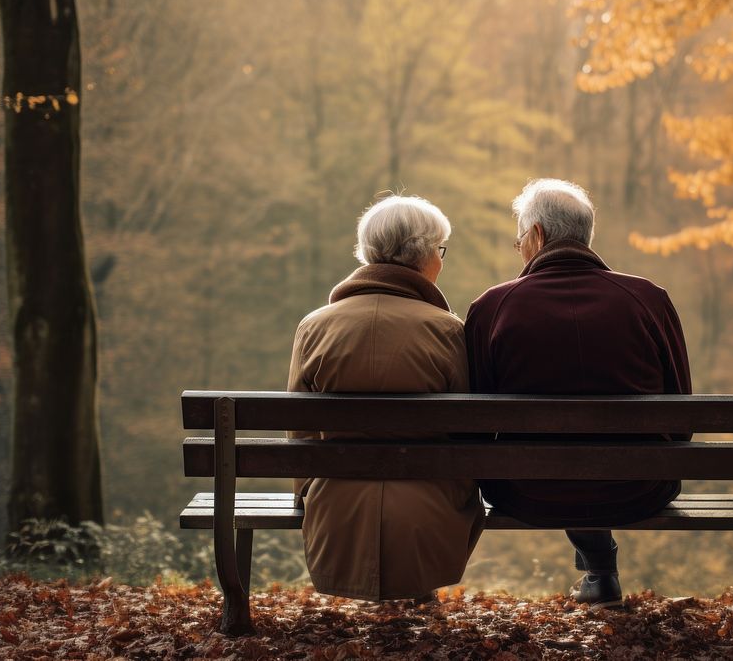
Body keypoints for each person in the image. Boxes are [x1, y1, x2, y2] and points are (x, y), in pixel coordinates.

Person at [464, 178, 692, 610]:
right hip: (641, 487)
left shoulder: (493, 308)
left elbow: (473, 428)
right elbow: (681, 424)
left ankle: (599, 569)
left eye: (519, 241)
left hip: (526, 491)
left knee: (556, 463)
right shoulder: (649, 299)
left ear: (536, 236)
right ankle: (599, 569)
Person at [287, 195, 485, 601]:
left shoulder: (314, 327)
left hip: (335, 507)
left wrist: (306, 492)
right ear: (425, 255)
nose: (441, 261)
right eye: (440, 251)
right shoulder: (447, 331)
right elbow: (467, 431)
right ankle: (418, 587)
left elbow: (300, 429)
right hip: (430, 507)